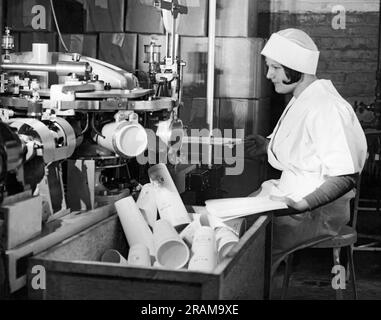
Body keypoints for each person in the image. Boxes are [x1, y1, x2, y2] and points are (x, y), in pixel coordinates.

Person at [245, 28, 368, 268]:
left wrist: (302, 205)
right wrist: (267, 146)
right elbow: (304, 150)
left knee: (249, 243)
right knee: (236, 223)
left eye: (276, 68)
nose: (269, 75)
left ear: (296, 69)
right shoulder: (303, 99)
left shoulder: (326, 107)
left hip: (316, 210)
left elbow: (345, 175)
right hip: (289, 196)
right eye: (269, 66)